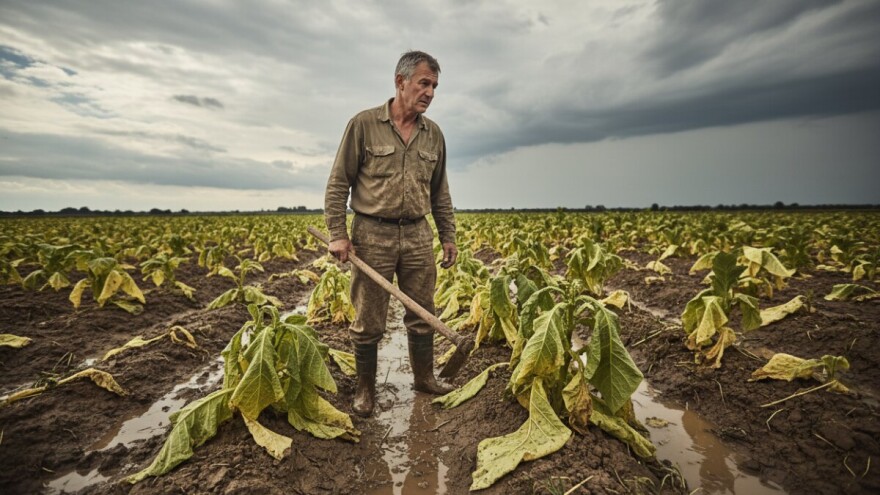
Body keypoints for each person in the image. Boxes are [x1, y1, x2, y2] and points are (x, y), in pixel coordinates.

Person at [324, 50, 458, 417]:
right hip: (372, 235)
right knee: (368, 318)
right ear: (400, 83)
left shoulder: (434, 136)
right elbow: (338, 183)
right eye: (423, 83)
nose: (430, 92)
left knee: (422, 311)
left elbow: (440, 193)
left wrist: (447, 236)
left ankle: (425, 378)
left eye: (434, 86)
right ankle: (365, 391)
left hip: (417, 235)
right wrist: (338, 233)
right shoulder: (364, 124)